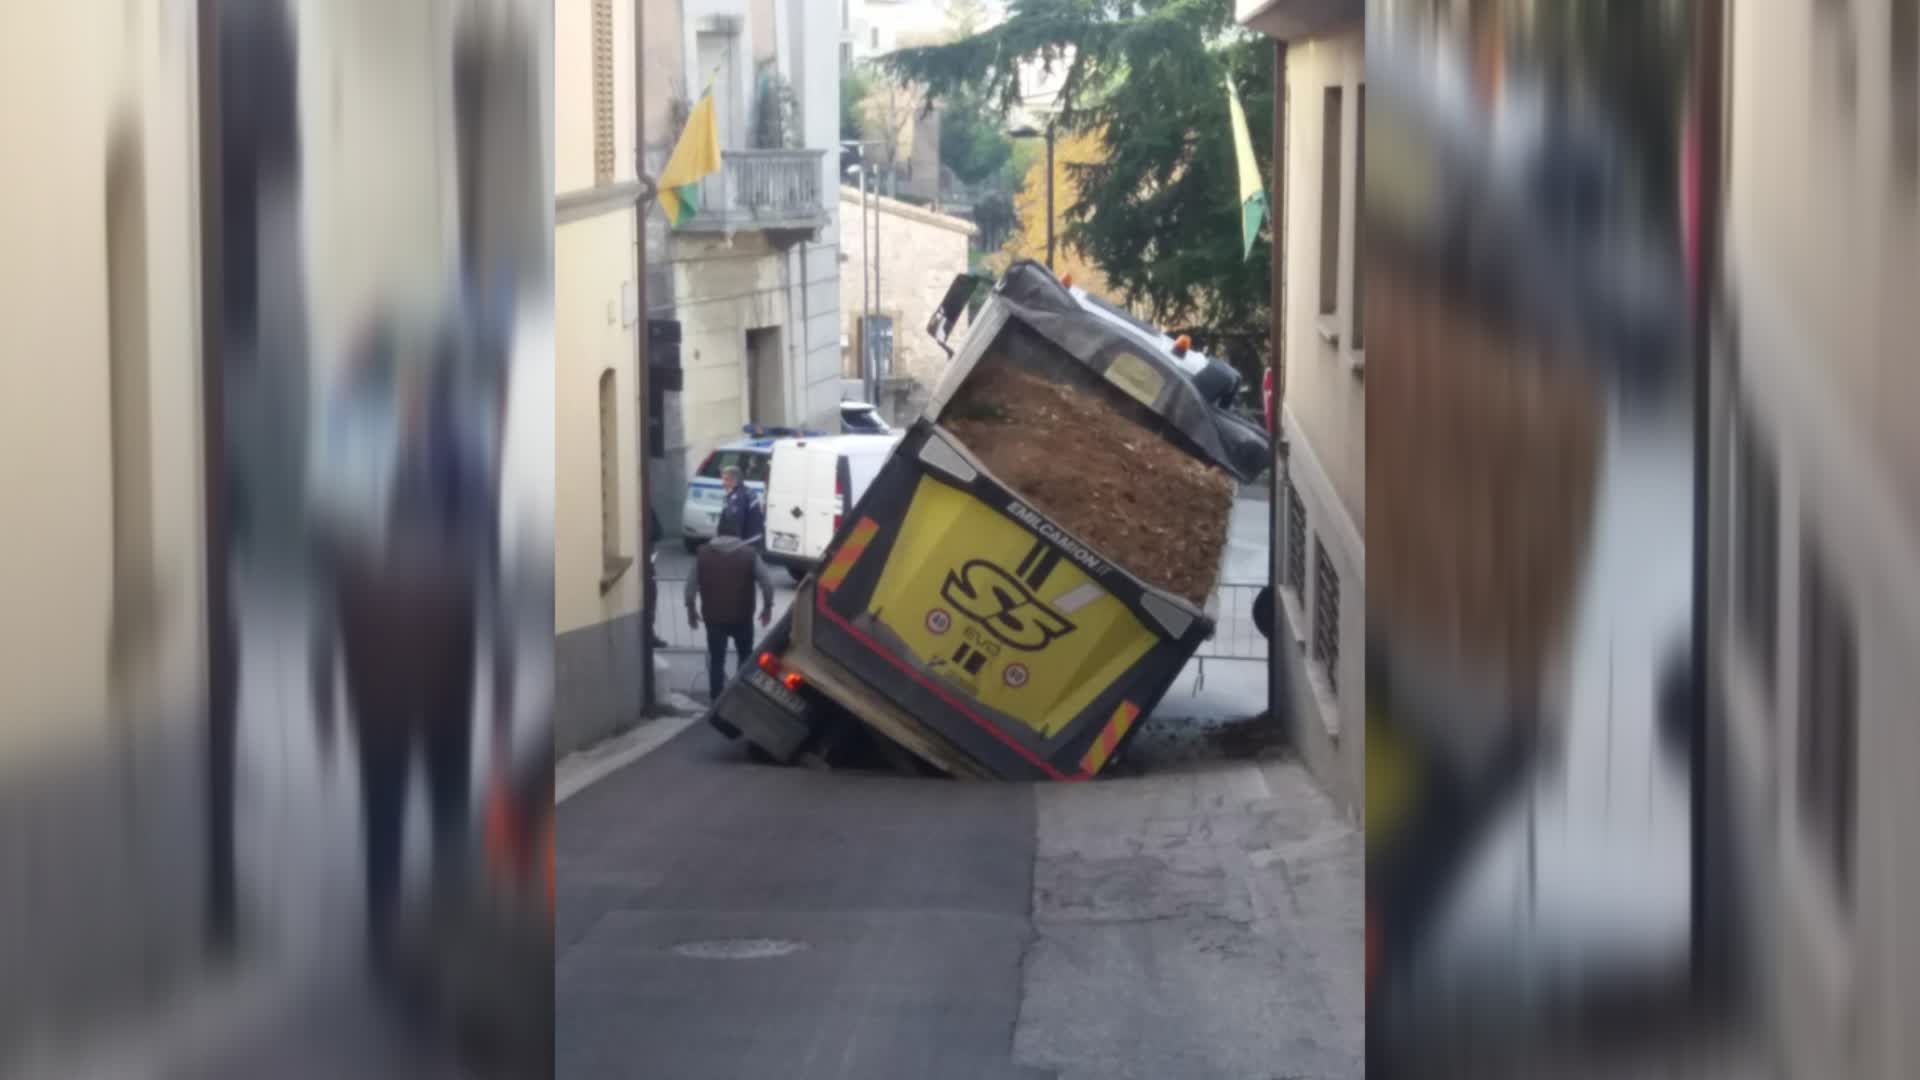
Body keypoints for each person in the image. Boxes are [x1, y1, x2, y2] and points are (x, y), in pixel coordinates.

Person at [685, 514, 776, 701]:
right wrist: (767, 608)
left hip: (714, 618)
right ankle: (740, 698)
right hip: (742, 617)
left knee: (717, 660)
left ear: (718, 530)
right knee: (745, 658)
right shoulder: (750, 554)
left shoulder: (703, 553)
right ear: (737, 532)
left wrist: (691, 610)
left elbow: (690, 587)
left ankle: (716, 699)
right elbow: (767, 584)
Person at [716, 463, 763, 543]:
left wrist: (726, 542)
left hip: (745, 542)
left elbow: (734, 523)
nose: (722, 484)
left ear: (734, 480)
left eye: (725, 480)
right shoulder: (746, 491)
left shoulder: (738, 497)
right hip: (753, 540)